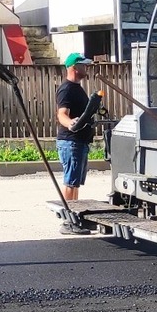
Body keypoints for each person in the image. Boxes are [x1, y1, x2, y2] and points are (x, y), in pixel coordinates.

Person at [54, 51, 99, 212]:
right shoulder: (66, 89)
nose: (86, 67)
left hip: (79, 142)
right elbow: (62, 114)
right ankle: (68, 218)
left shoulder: (76, 88)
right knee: (70, 182)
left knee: (75, 183)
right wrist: (70, 123)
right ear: (74, 67)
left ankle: (75, 214)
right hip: (70, 141)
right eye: (83, 65)